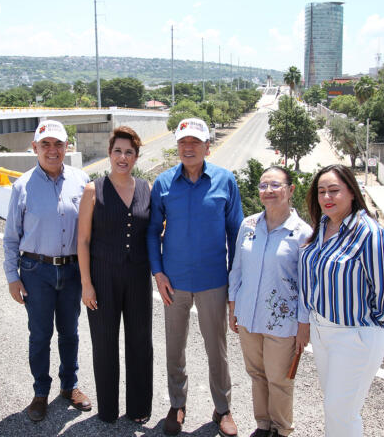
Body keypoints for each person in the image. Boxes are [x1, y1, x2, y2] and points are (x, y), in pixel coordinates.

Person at [147, 118, 244, 437]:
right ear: (177, 146)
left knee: (217, 348)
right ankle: (177, 403)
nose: (188, 148)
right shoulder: (162, 183)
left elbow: (236, 233)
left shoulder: (225, 180)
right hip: (173, 281)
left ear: (207, 147)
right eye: (182, 142)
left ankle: (223, 408)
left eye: (195, 142)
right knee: (174, 347)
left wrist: (234, 283)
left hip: (213, 280)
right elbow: (152, 232)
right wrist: (158, 272)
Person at [299, 164, 384, 437]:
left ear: (352, 193)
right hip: (322, 332)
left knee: (341, 411)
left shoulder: (369, 232)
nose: (326, 198)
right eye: (321, 191)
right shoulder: (322, 226)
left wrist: (375, 323)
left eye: (334, 191)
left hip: (354, 335)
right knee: (334, 407)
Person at [3, 120, 92, 423]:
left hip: (71, 271)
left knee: (71, 333)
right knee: (40, 335)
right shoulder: (22, 186)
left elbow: (93, 230)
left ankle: (70, 386)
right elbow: (11, 237)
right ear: (35, 148)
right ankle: (41, 392)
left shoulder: (82, 180)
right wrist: (12, 277)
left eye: (58, 144)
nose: (52, 150)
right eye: (46, 145)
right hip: (35, 270)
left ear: (68, 147)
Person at [228, 166, 312, 437]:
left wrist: (304, 325)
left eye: (275, 185)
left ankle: (282, 429)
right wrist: (233, 307)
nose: (268, 191)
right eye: (263, 186)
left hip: (282, 322)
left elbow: (308, 285)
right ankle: (263, 425)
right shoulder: (249, 225)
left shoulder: (303, 233)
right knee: (257, 374)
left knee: (280, 379)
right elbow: (237, 269)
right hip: (248, 315)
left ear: (290, 190)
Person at [77, 126, 153, 424]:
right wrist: (86, 284)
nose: (123, 157)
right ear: (110, 154)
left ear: (136, 156)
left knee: (140, 342)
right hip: (102, 277)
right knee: (105, 343)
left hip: (137, 276)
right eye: (118, 151)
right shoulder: (92, 189)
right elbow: (82, 240)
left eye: (129, 152)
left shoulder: (147, 188)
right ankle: (107, 410)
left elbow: (154, 231)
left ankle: (138, 408)